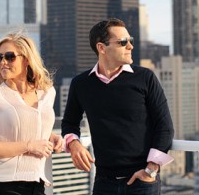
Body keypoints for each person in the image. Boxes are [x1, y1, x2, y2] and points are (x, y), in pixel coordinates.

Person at [61, 18, 175, 194]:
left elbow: (165, 126)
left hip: (143, 182)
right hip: (103, 183)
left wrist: (151, 170)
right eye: (123, 42)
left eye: (131, 41)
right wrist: (74, 144)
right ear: (101, 48)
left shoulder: (145, 78)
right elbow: (69, 122)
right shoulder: (81, 84)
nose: (130, 46)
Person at [0, 31, 63, 195]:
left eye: (10, 56)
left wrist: (49, 136)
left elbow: (27, 124)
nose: (3, 62)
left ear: (27, 59)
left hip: (37, 184)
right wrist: (29, 146)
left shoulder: (48, 93)